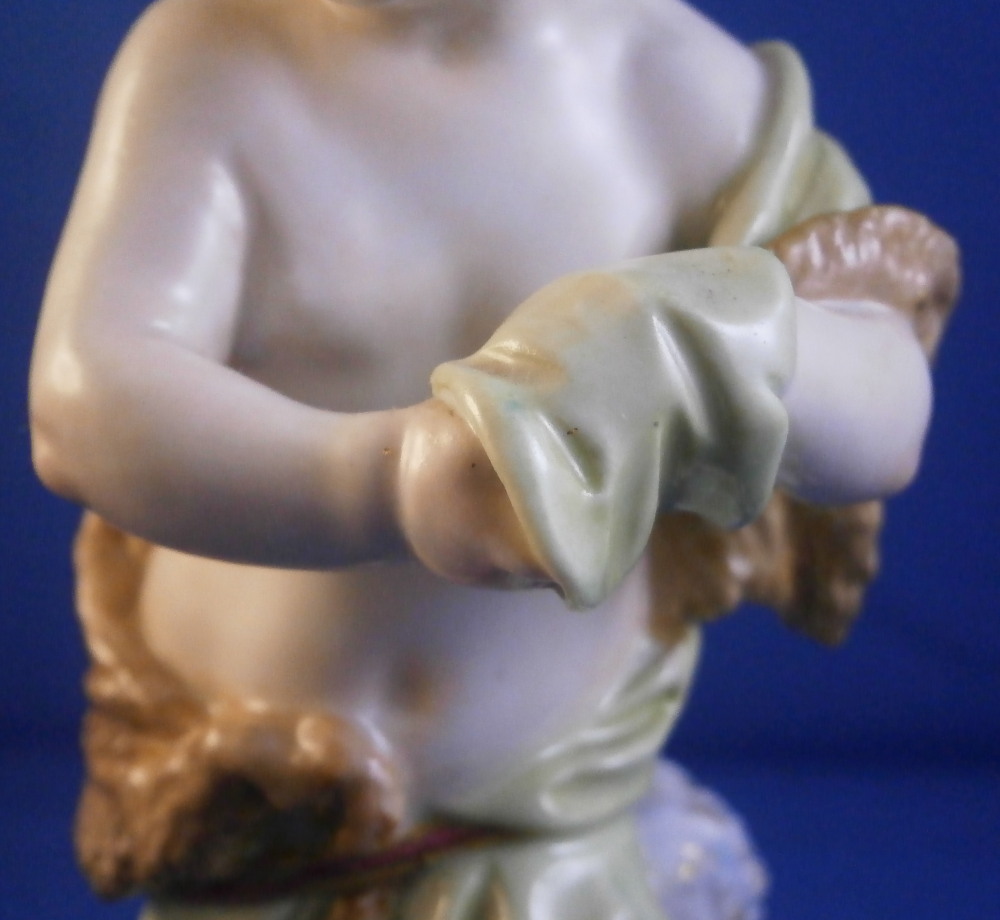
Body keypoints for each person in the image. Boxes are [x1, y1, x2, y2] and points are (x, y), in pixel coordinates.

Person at [30, 1, 952, 918]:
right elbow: (88, 398)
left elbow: (887, 403)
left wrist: (716, 342)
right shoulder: (215, 56)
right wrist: (384, 483)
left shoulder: (685, 91)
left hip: (554, 829)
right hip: (255, 810)